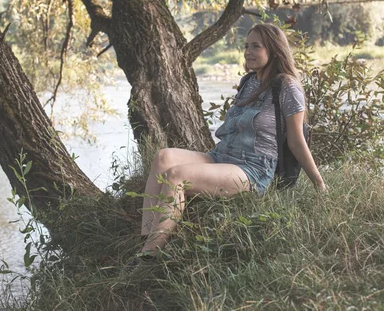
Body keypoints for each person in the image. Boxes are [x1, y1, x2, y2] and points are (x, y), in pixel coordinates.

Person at [135, 23, 327, 260]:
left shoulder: (287, 87)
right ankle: (146, 237)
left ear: (275, 50)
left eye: (256, 46)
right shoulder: (249, 82)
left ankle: (149, 256)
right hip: (221, 156)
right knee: (163, 156)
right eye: (247, 46)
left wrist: (319, 183)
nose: (248, 51)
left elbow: (296, 140)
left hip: (252, 169)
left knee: (176, 176)